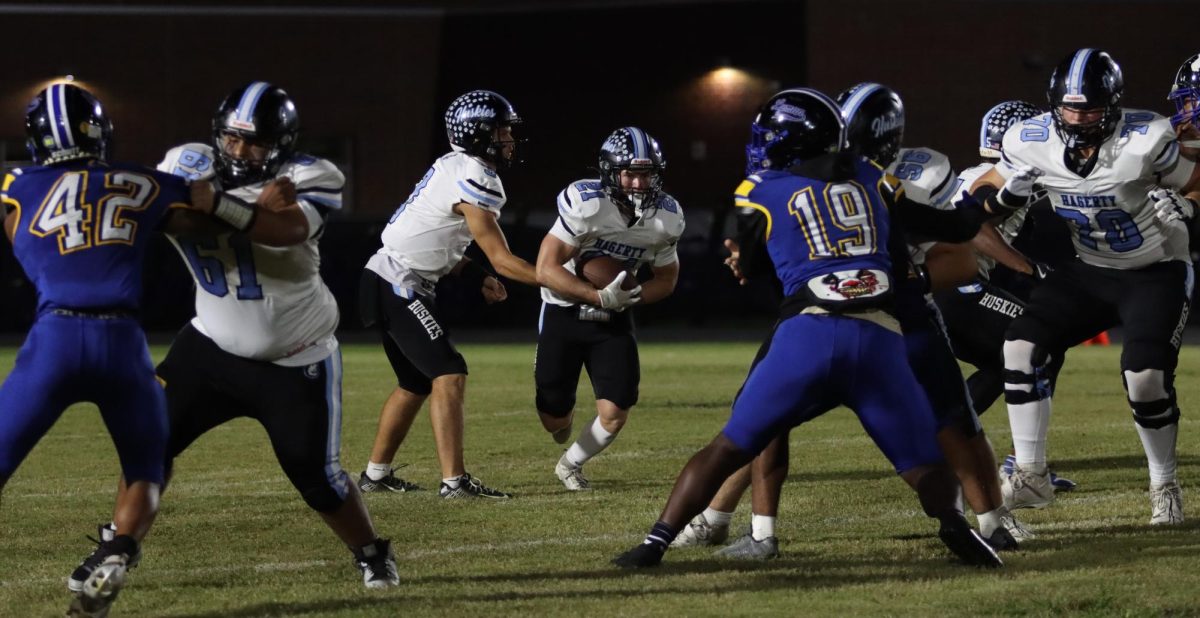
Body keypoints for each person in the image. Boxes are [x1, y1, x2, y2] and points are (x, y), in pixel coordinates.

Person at [612, 88, 1001, 569]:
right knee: (924, 464)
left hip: (809, 332)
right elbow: (954, 227)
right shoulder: (874, 179)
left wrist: (744, 257)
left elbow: (751, 266)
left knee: (730, 445)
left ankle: (656, 542)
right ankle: (954, 523)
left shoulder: (760, 188)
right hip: (882, 334)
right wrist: (990, 203)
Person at [72, 81, 400, 591]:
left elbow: (287, 228)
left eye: (255, 143)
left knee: (317, 478)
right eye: (232, 139)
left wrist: (221, 206)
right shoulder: (188, 160)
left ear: (282, 146)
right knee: (147, 442)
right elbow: (172, 220)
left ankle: (372, 552)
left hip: (295, 358)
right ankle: (119, 544)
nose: (241, 152)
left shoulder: (312, 173)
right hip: (208, 348)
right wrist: (241, 208)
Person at [0, 84, 250, 616]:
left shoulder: (17, 185)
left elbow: (19, 223)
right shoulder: (143, 180)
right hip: (122, 341)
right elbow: (201, 208)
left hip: (56, 339)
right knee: (146, 468)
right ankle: (119, 550)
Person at [969, 49, 1200, 524]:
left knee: (1145, 378)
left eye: (1090, 108)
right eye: (1069, 108)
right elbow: (980, 199)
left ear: (1113, 105)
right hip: (1090, 268)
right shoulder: (1030, 140)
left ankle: (1164, 486)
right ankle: (1031, 475)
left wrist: (1190, 207)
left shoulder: (1146, 137)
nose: (1078, 118)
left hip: (1153, 271)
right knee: (1018, 348)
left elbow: (1196, 181)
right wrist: (1000, 198)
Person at [358, 90, 538, 499]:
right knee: (449, 372)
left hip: (388, 275)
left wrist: (475, 274)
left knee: (415, 382)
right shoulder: (475, 176)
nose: (509, 137)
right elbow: (505, 260)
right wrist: (561, 282)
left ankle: (375, 475)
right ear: (479, 134)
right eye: (502, 129)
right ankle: (454, 482)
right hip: (397, 280)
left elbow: (432, 239)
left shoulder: (456, 166)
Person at [932, 100, 1077, 492]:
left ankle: (945, 441)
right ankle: (1024, 466)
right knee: (1041, 344)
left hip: (949, 292)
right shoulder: (1000, 177)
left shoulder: (980, 171)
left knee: (1005, 364)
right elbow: (973, 226)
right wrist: (1025, 267)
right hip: (958, 290)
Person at [534, 127, 684, 491]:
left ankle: (571, 464)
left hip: (615, 317)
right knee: (554, 419)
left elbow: (666, 278)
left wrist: (632, 298)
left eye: (646, 174)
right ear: (609, 172)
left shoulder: (666, 217)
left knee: (615, 412)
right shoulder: (586, 203)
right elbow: (545, 268)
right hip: (564, 310)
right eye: (630, 173)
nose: (637, 183)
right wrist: (599, 296)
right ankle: (560, 415)